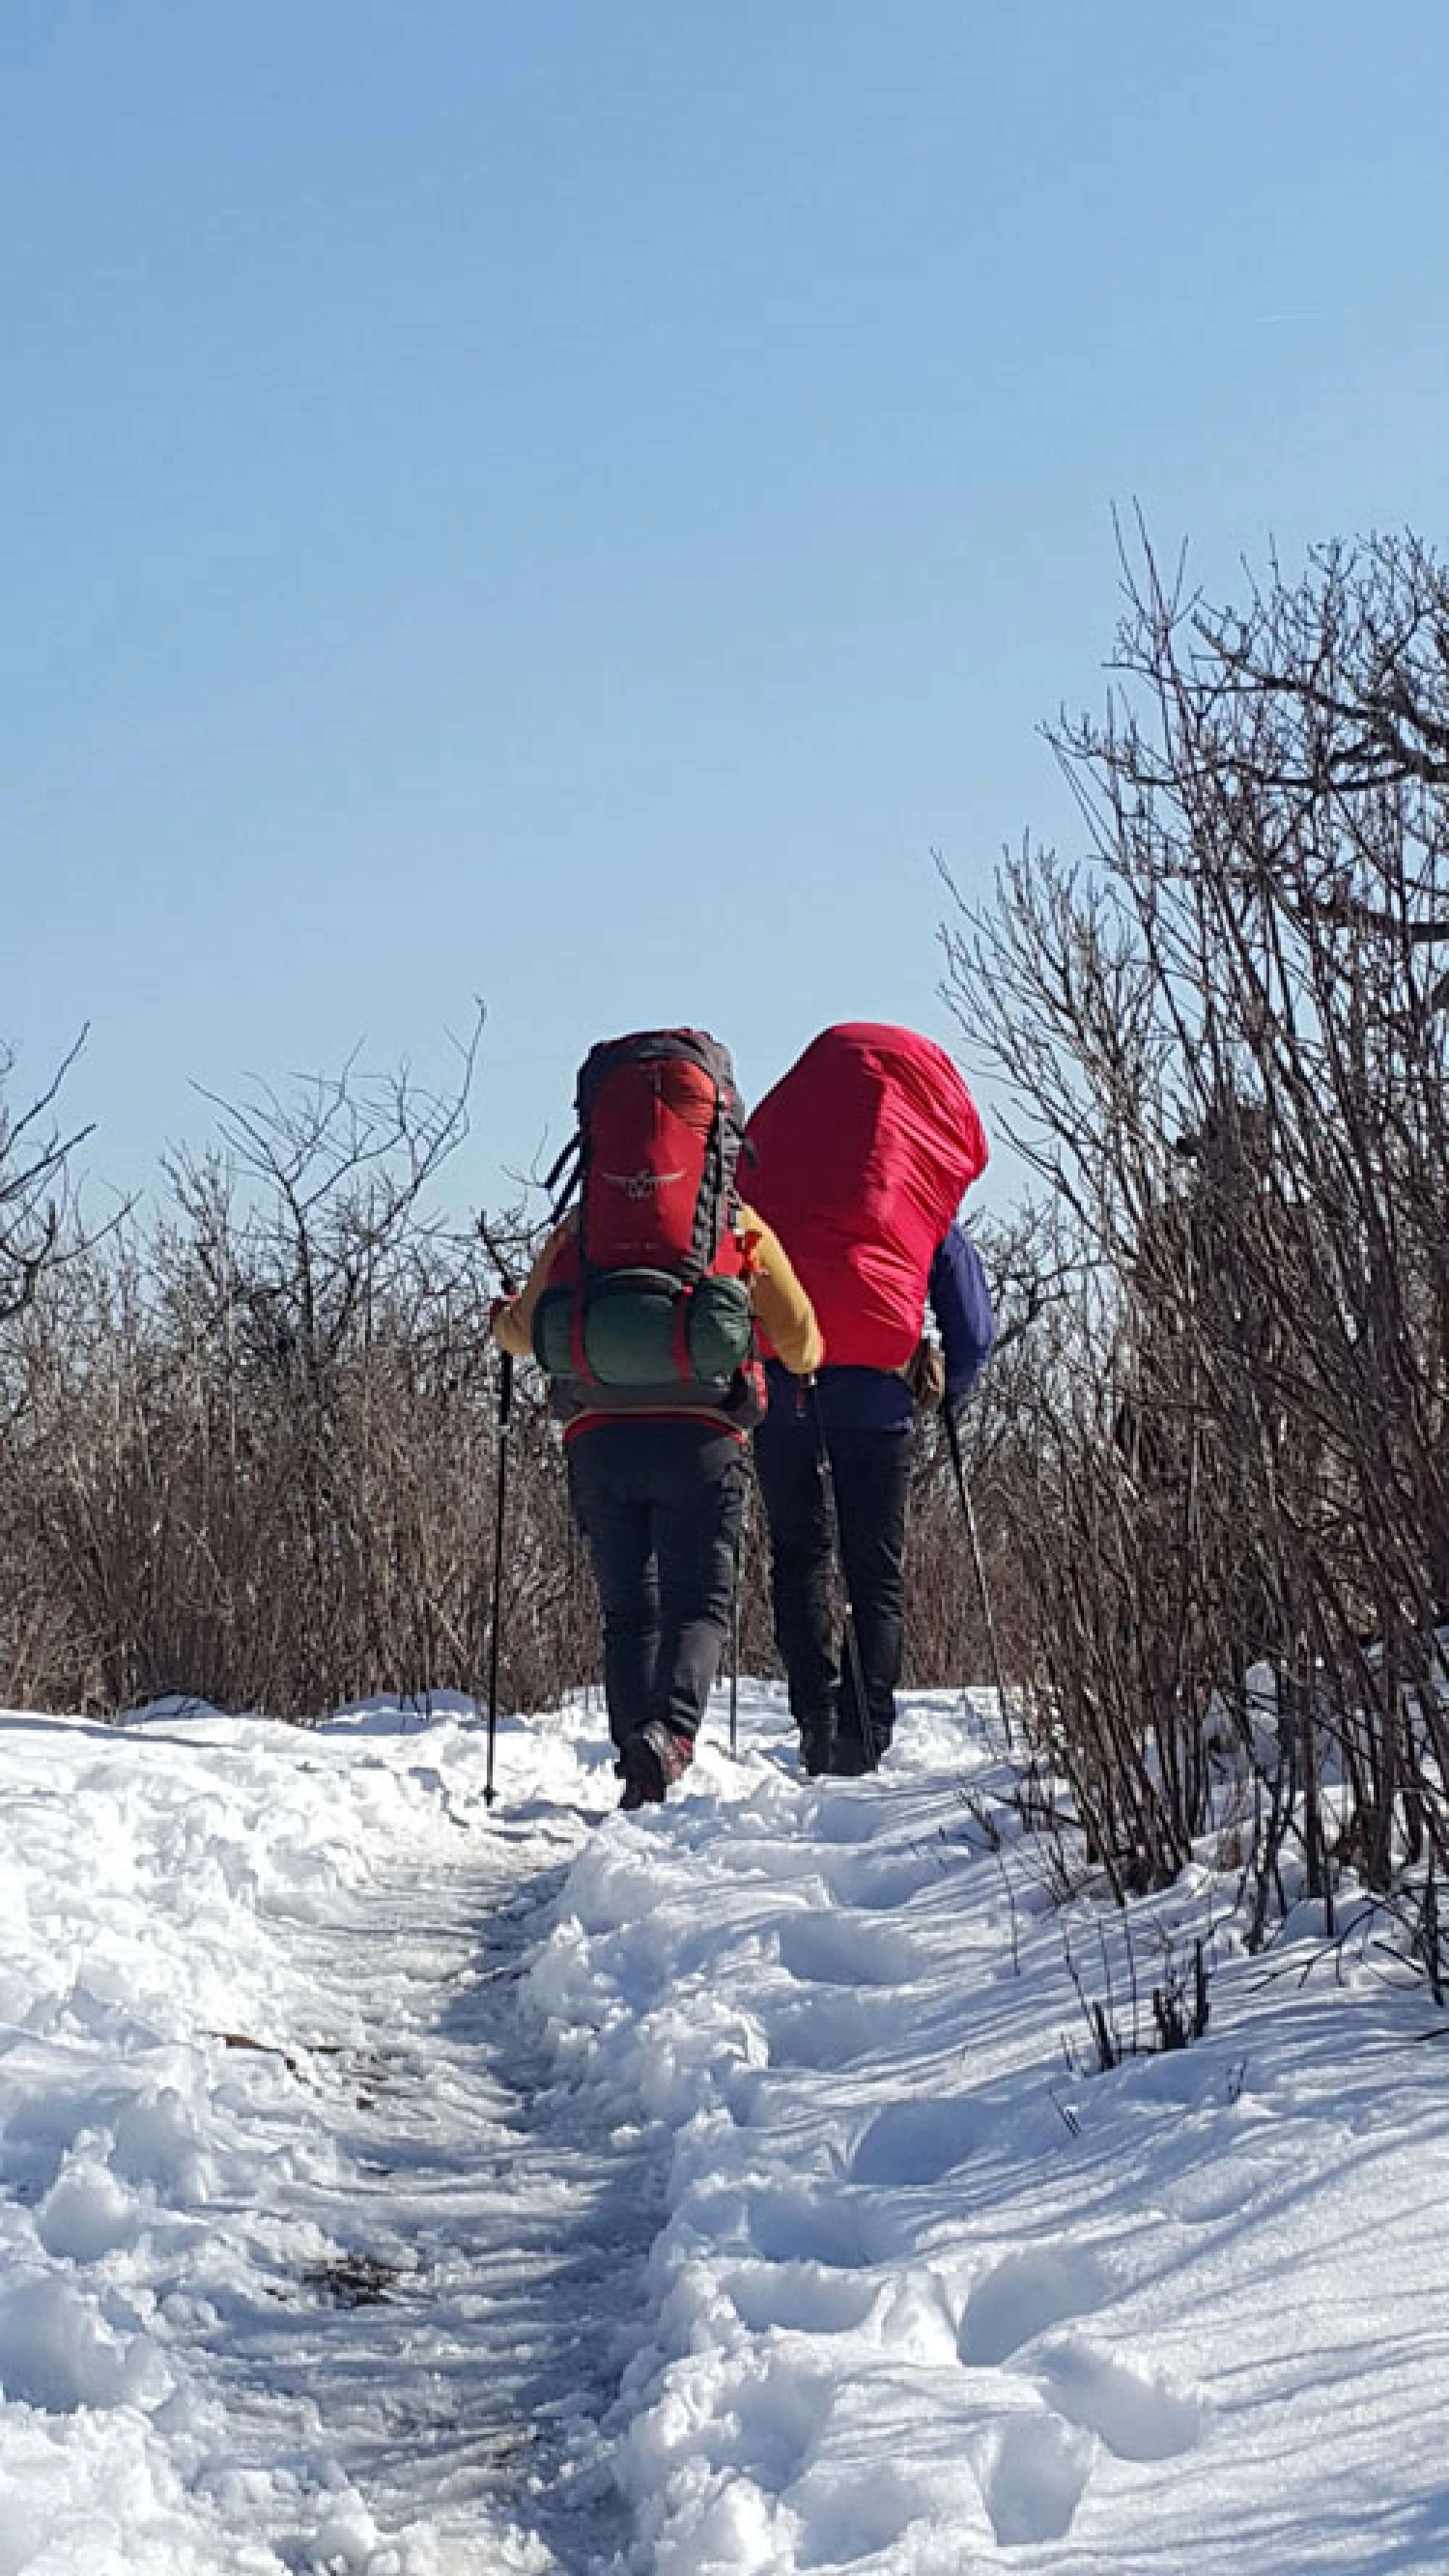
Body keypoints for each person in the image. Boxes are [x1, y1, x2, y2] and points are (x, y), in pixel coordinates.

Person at [489, 1030, 821, 1810]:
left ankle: (635, 1756)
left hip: (598, 1436)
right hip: (703, 1437)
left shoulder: (583, 1228)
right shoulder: (736, 1226)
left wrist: (503, 1314)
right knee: (697, 1603)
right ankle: (667, 1738)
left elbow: (520, 1333)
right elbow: (803, 1340)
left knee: (627, 1611)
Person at [743, 1023, 995, 1778]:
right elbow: (970, 1320)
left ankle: (814, 1720)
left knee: (798, 1560)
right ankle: (864, 1730)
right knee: (872, 1572)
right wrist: (950, 1387)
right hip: (879, 1405)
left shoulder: (775, 1178)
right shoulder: (911, 1193)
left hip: (784, 1396)